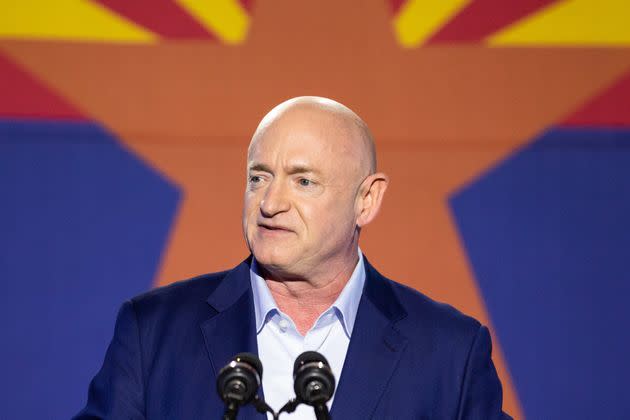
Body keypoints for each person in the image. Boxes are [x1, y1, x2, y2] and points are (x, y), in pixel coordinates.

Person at [75, 97, 511, 419]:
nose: (270, 202)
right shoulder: (152, 333)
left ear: (367, 199)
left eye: (303, 181)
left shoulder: (450, 353)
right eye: (258, 177)